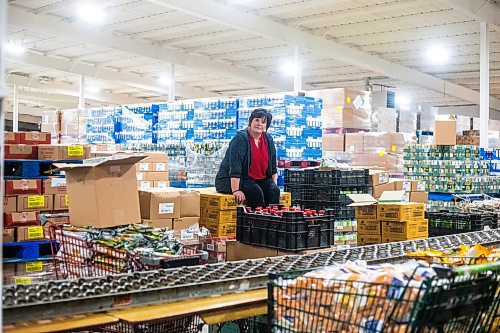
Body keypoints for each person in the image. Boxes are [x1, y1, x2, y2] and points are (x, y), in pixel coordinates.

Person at [215, 108, 280, 208]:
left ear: (266, 126)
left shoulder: (268, 139)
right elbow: (235, 167)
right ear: (250, 122)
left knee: (274, 191)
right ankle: (257, 222)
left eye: (263, 122)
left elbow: (273, 165)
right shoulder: (240, 139)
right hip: (234, 179)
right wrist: (236, 190)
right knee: (255, 192)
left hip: (257, 179)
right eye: (256, 120)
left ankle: (272, 221)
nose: (259, 124)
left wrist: (273, 185)